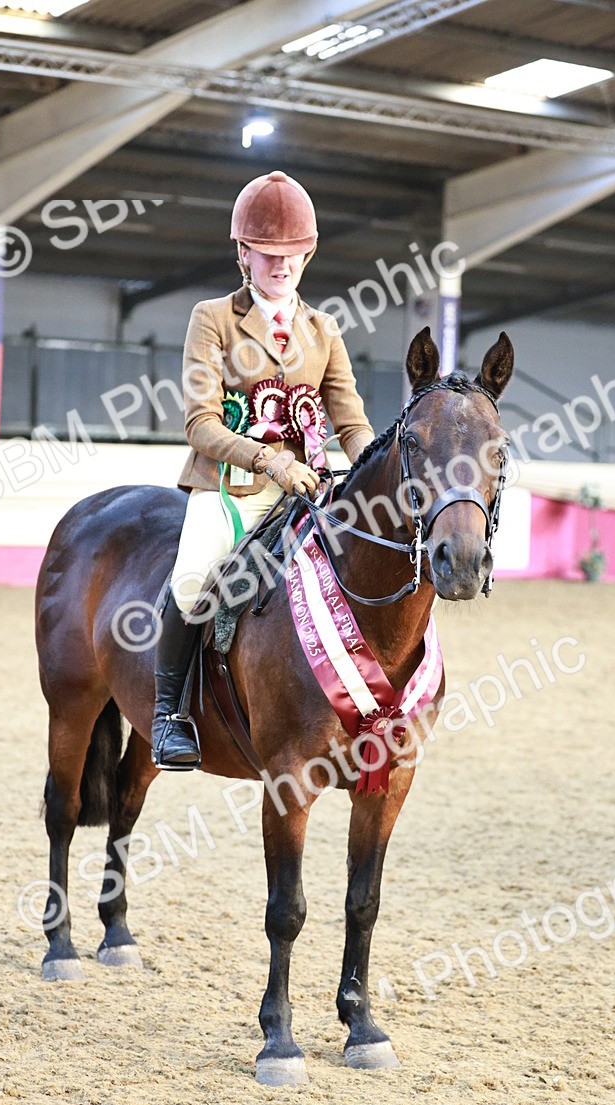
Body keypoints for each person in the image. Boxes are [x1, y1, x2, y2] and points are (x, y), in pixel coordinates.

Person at [151, 169, 376, 769]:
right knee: (195, 576)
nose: (282, 265)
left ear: (309, 254)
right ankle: (168, 714)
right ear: (244, 253)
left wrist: (379, 469)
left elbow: (351, 422)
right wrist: (269, 458)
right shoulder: (214, 318)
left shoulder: (324, 329)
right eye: (268, 253)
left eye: (293, 254)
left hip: (310, 488)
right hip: (233, 485)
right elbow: (200, 423)